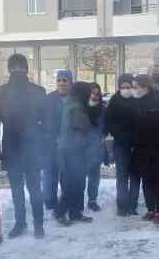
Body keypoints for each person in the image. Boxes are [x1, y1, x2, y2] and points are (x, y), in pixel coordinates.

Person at [0, 53, 47, 239]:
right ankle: (20, 223)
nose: (18, 71)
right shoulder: (1, 92)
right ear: (9, 69)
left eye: (21, 67)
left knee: (35, 188)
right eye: (14, 68)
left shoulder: (38, 91)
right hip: (11, 147)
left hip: (33, 147)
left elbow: (46, 122)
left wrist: (44, 147)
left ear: (26, 69)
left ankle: (39, 224)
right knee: (16, 189)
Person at [132, 74, 159, 223]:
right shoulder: (136, 101)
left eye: (136, 86)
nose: (134, 90)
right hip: (142, 147)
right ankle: (151, 209)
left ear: (145, 86)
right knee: (147, 179)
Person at [55, 81, 94, 226]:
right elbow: (81, 127)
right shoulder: (76, 107)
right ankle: (60, 212)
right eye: (88, 92)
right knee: (72, 183)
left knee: (76, 183)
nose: (90, 95)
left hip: (70, 149)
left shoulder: (72, 103)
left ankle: (75, 212)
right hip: (73, 150)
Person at [106, 74, 140, 217]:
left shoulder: (138, 101)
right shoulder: (114, 101)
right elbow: (109, 122)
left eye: (129, 87)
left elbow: (143, 121)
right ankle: (122, 205)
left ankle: (132, 205)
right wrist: (120, 135)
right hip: (121, 144)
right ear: (119, 87)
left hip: (137, 145)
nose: (126, 89)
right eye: (123, 87)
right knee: (122, 176)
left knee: (135, 176)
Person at [43, 69, 73, 212]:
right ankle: (50, 201)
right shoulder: (49, 99)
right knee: (50, 173)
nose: (61, 83)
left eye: (65, 80)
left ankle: (66, 200)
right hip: (51, 143)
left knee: (67, 174)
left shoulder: (75, 99)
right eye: (59, 80)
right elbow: (43, 120)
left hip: (70, 144)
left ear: (70, 82)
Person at [85, 83, 107, 212]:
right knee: (79, 175)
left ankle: (92, 200)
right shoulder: (82, 106)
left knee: (94, 175)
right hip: (82, 146)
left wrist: (104, 135)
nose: (94, 95)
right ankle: (77, 200)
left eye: (97, 93)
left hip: (97, 146)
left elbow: (107, 124)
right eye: (92, 92)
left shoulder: (103, 108)